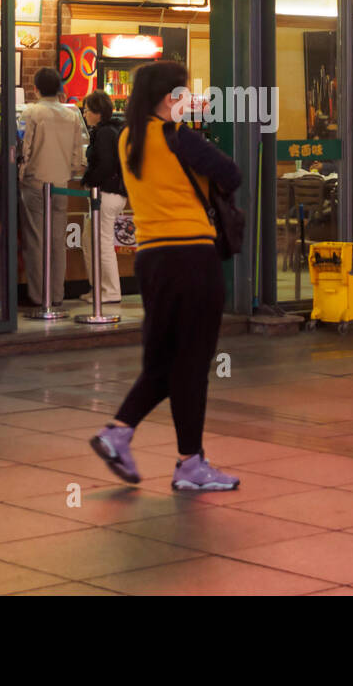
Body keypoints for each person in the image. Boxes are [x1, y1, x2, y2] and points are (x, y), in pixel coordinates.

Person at [90, 61, 243, 491]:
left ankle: (118, 432)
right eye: (186, 92)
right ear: (170, 96)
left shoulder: (127, 139)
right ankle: (190, 465)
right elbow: (232, 174)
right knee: (192, 363)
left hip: (152, 259)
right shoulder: (179, 138)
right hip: (192, 257)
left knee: (162, 361)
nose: (190, 99)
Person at [19, 67, 86, 308]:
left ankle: (39, 296)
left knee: (36, 240)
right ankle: (57, 294)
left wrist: (21, 172)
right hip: (61, 185)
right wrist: (68, 173)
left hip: (36, 183)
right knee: (58, 240)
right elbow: (77, 155)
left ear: (35, 88)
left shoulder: (31, 112)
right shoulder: (72, 114)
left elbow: (23, 148)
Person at [80, 89, 126, 305]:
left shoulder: (105, 133)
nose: (84, 114)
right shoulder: (110, 130)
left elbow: (106, 165)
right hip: (108, 193)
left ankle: (111, 290)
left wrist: (89, 178)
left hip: (107, 194)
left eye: (87, 110)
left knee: (103, 241)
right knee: (89, 240)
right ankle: (98, 287)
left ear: (98, 112)